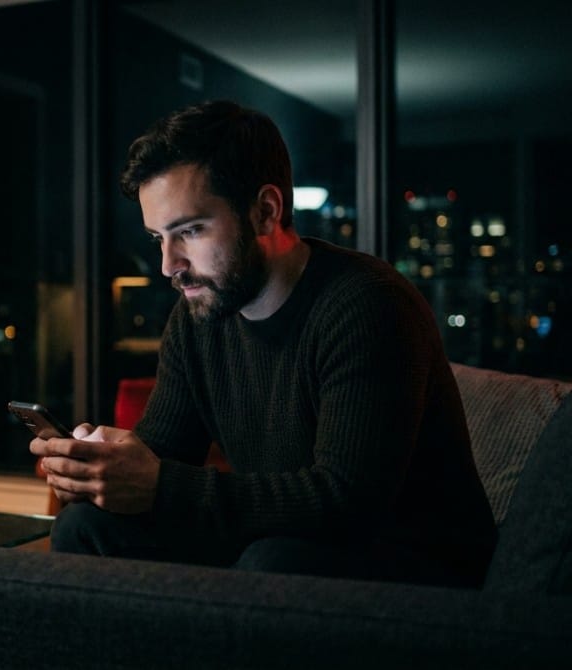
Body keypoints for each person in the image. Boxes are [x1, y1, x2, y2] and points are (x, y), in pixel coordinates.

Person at [30, 100, 498, 587]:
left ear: (265, 212)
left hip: (418, 566)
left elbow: (348, 502)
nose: (169, 265)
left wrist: (161, 487)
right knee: (86, 527)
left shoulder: (369, 304)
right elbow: (163, 458)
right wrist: (103, 472)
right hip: (284, 544)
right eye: (158, 238)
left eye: (190, 231)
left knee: (272, 563)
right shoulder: (198, 318)